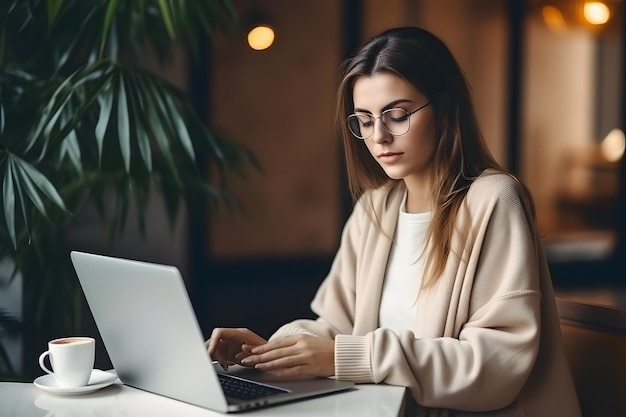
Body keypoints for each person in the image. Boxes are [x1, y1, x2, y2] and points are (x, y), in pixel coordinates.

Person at [207, 26, 581, 416]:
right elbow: (337, 328)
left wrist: (344, 357)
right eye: (365, 121)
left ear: (445, 107)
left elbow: (495, 366)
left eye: (397, 115)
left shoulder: (495, 199)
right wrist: (268, 351)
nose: (379, 136)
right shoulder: (374, 209)